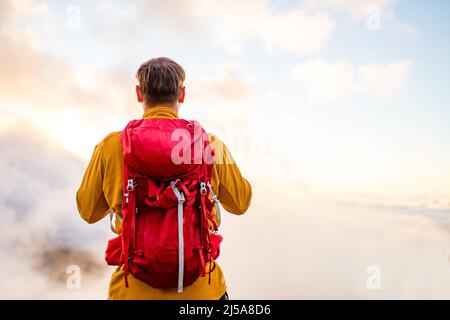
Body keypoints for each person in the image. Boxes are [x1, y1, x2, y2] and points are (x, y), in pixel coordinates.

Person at [76, 57, 252, 300]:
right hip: (203, 293)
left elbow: (87, 211)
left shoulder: (110, 146)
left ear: (139, 94)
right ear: (182, 94)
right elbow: (240, 203)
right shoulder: (211, 145)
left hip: (130, 292)